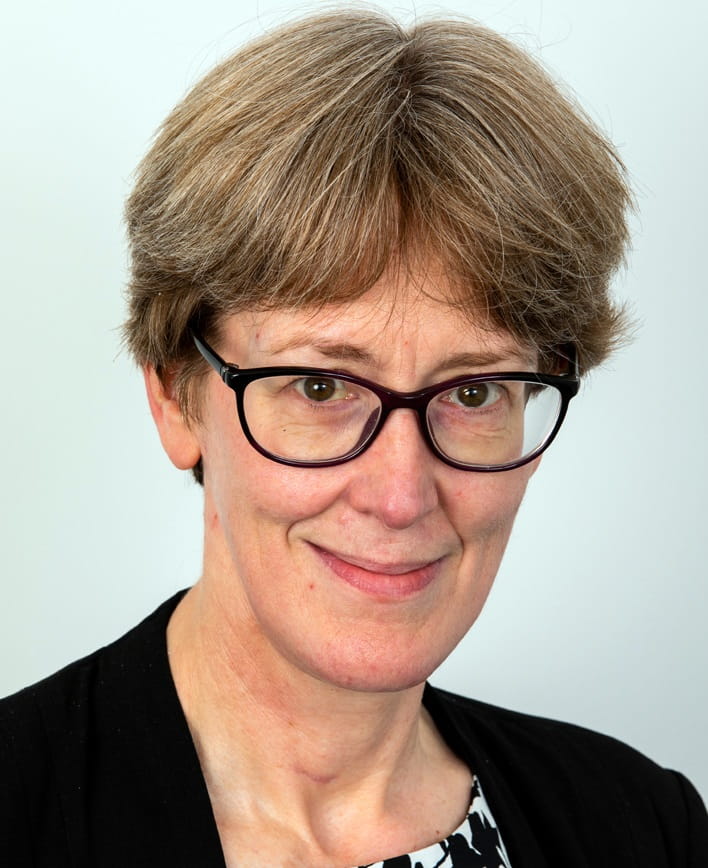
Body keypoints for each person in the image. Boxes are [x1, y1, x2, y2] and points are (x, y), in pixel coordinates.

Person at [1, 9, 706, 867]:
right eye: (321, 385)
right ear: (174, 397)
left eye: (474, 390)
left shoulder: (642, 828)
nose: (401, 494)